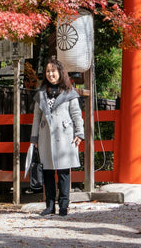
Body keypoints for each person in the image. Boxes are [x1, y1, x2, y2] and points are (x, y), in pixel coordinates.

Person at [30, 57, 85, 216]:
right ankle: (49, 205)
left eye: (53, 71)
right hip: (45, 136)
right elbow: (36, 118)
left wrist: (79, 134)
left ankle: (63, 206)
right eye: (47, 71)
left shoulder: (69, 92)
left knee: (63, 173)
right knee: (47, 172)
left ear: (60, 73)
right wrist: (34, 139)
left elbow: (76, 114)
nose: (50, 74)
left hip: (65, 135)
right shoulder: (41, 94)